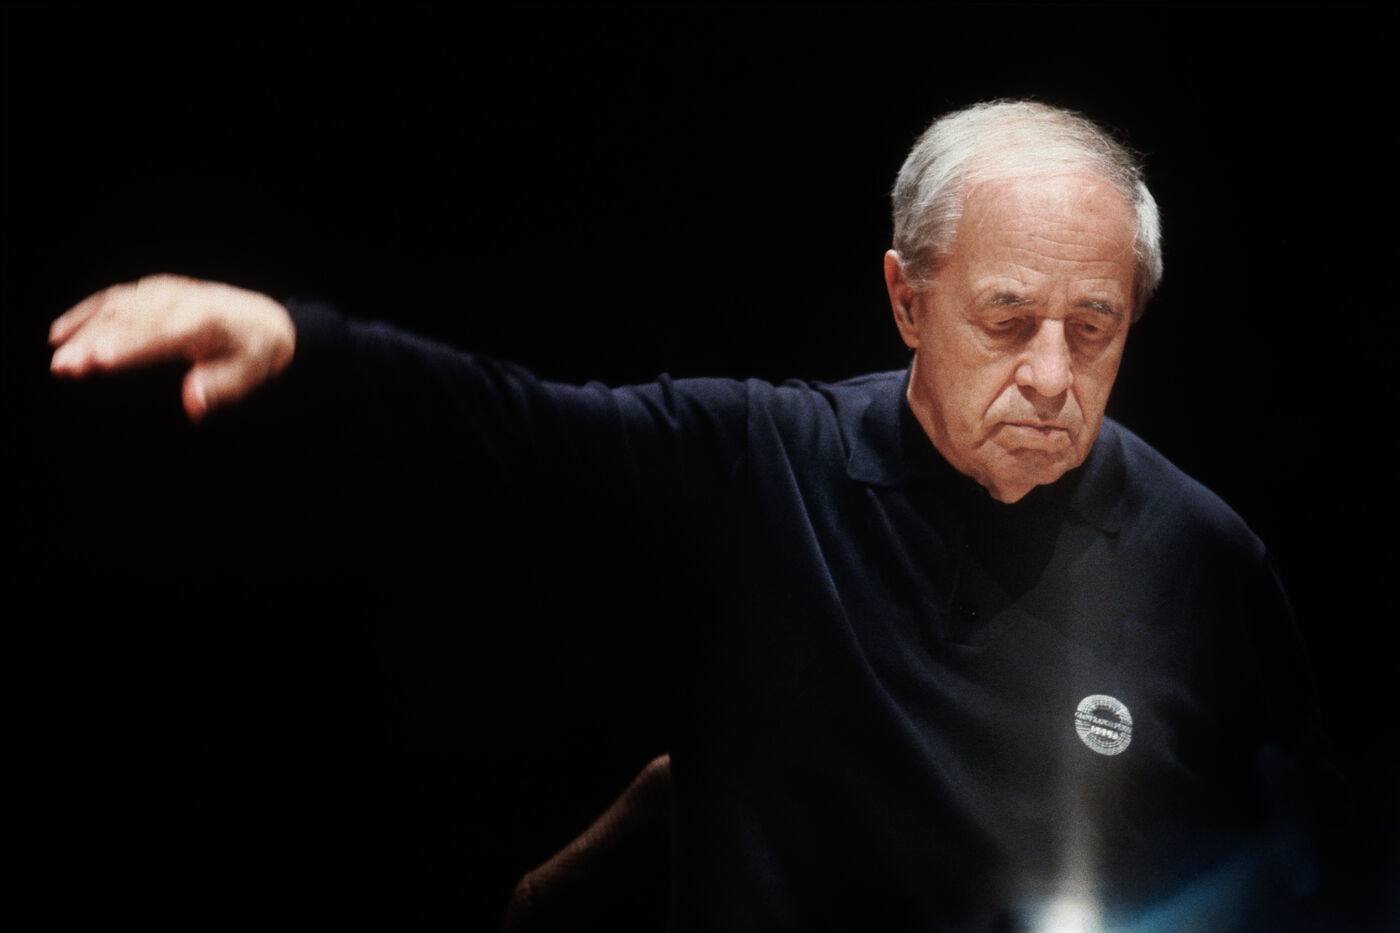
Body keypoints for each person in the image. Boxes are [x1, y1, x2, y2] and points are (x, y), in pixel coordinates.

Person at [48, 101, 1338, 930]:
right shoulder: (763, 462)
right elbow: (512, 426)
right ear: (907, 299)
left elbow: (1291, 865)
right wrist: (296, 346)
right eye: (1007, 321)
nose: (1052, 376)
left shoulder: (1206, 562)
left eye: (1094, 329)